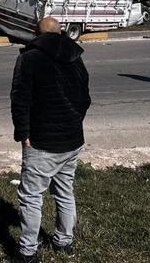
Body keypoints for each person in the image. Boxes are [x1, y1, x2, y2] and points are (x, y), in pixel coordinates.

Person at [11, 17, 91, 263]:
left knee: (31, 197)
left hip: (41, 142)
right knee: (65, 192)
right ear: (62, 32)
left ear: (37, 33)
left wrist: (23, 133)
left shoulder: (29, 58)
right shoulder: (76, 58)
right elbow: (85, 98)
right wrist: (75, 121)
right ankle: (64, 242)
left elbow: (20, 99)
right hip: (72, 139)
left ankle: (27, 252)